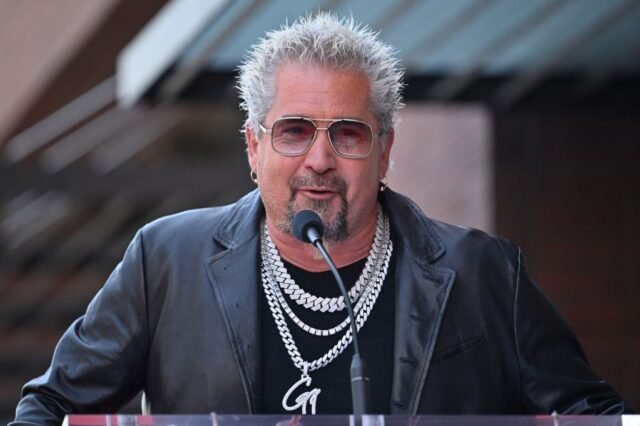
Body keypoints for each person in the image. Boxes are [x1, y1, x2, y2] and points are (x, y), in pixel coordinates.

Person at [12, 13, 633, 424]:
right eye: (294, 131)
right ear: (253, 147)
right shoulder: (165, 260)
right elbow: (51, 407)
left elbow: (592, 415)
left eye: (348, 134)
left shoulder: (484, 272)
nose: (319, 159)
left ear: (384, 152)